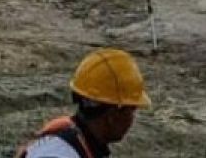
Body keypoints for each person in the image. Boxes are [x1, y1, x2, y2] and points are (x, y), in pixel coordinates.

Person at [16, 48, 150, 158]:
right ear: (112, 116)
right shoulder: (59, 153)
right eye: (132, 110)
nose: (132, 118)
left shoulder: (80, 142)